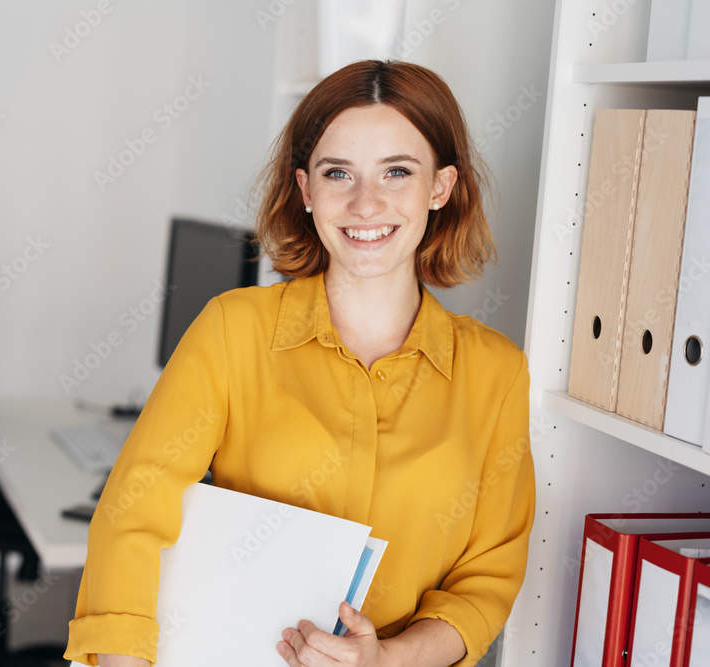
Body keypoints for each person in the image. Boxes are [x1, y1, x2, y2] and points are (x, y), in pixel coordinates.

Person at [64, 59, 535, 667]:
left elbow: (486, 580)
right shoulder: (234, 330)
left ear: (440, 189)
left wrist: (386, 659)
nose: (367, 203)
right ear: (307, 189)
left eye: (397, 171)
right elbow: (135, 505)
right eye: (339, 172)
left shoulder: (497, 374)